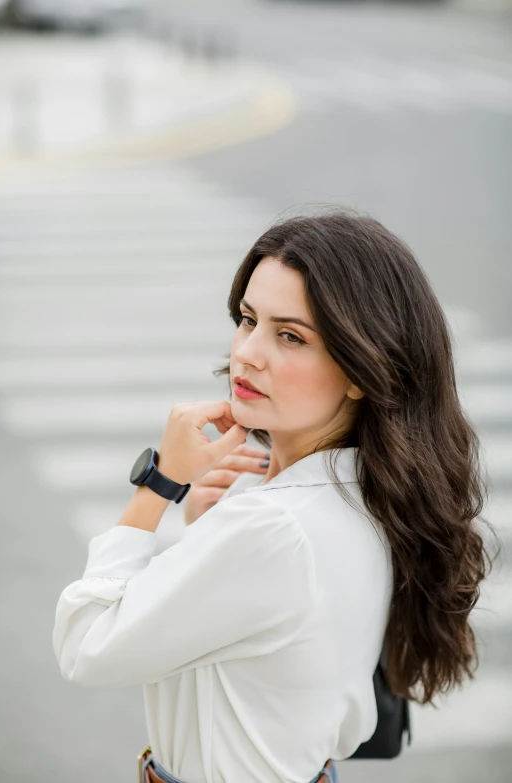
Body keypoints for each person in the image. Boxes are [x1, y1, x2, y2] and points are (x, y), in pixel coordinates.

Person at [53, 211, 498, 783]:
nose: (247, 353)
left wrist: (158, 484)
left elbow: (86, 647)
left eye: (290, 336)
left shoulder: (273, 527)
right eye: (247, 319)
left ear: (363, 370)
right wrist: (208, 534)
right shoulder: (372, 490)